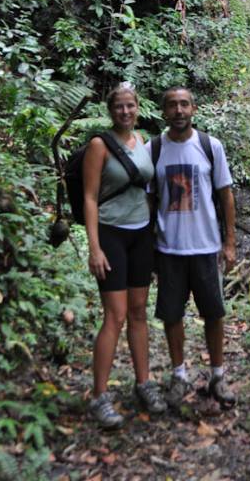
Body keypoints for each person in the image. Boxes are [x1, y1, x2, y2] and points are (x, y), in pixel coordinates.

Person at [83, 82, 166, 429]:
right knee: (115, 316)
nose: (125, 111)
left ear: (138, 108)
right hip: (111, 234)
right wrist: (94, 247)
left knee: (138, 312)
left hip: (141, 234)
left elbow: (147, 189)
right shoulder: (99, 146)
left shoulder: (142, 141)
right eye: (119, 106)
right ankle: (99, 396)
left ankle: (144, 383)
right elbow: (90, 198)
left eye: (130, 106)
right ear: (110, 110)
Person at [149, 86, 237, 409]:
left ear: (194, 109)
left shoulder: (210, 146)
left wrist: (229, 242)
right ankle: (179, 375)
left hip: (205, 246)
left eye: (184, 104)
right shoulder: (154, 149)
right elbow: (148, 200)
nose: (179, 110)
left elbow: (226, 195)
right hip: (169, 249)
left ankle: (217, 376)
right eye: (172, 105)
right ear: (164, 111)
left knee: (213, 313)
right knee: (172, 315)